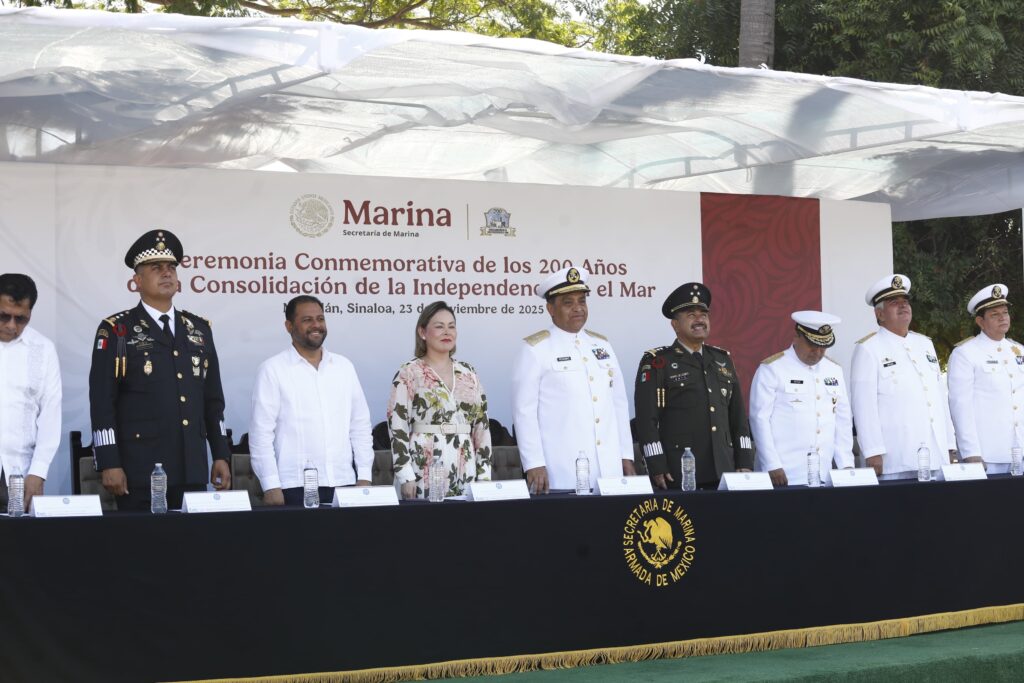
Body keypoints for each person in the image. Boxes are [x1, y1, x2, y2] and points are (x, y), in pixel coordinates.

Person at [89, 229, 231, 511]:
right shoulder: (117, 330)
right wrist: (109, 461)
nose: (167, 273)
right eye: (156, 268)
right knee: (142, 540)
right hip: (139, 469)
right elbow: (102, 401)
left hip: (191, 467)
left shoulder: (199, 330)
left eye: (171, 268)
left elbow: (213, 401)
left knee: (191, 540)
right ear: (137, 281)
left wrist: (220, 454)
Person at [512, 267, 635, 494]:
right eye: (568, 303)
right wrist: (533, 463)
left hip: (609, 469)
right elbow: (524, 412)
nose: (578, 308)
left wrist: (625, 455)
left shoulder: (602, 345)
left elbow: (619, 404)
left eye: (582, 301)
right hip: (562, 469)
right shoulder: (535, 349)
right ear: (551, 309)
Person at [250, 295, 374, 505]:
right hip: (293, 486)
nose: (316, 325)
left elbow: (360, 426)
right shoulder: (272, 370)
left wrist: (364, 477)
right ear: (289, 326)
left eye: (320, 319)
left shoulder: (344, 367)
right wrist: (270, 486)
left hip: (343, 482)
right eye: (307, 320)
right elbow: (261, 433)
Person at [634, 282, 753, 489]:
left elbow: (738, 417)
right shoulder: (657, 362)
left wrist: (744, 460)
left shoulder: (722, 359)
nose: (699, 320)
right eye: (691, 315)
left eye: (703, 314)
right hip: (679, 470)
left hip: (724, 468)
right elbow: (646, 420)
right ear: (675, 325)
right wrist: (656, 463)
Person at [850, 274, 956, 479]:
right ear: (879, 314)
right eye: (894, 302)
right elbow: (863, 405)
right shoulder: (868, 348)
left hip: (935, 453)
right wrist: (872, 451)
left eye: (905, 301)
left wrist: (950, 445)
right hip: (896, 456)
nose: (903, 306)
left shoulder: (925, 344)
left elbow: (939, 398)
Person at [387, 301, 492, 499]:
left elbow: (482, 427)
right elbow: (397, 426)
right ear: (422, 332)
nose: (447, 332)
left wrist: (484, 475)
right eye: (439, 326)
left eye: (451, 326)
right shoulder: (409, 372)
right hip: (423, 466)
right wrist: (405, 475)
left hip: (465, 465)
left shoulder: (468, 372)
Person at [749, 311, 854, 487]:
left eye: (823, 347)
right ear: (796, 337)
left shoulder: (834, 370)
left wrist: (846, 464)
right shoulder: (773, 368)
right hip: (784, 473)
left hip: (823, 474)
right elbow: (759, 419)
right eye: (812, 345)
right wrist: (772, 464)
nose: (818, 352)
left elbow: (842, 420)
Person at [0, 274, 61, 511]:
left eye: (21, 319)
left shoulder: (43, 349)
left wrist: (38, 472)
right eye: (3, 316)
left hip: (19, 473)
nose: (11, 325)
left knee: (16, 535)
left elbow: (50, 415)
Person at [948, 284, 1023, 473]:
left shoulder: (1018, 351)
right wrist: (970, 451)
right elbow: (960, 406)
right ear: (980, 322)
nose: (1002, 318)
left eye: (1005, 312)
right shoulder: (966, 353)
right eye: (994, 314)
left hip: (1020, 451)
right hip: (987, 454)